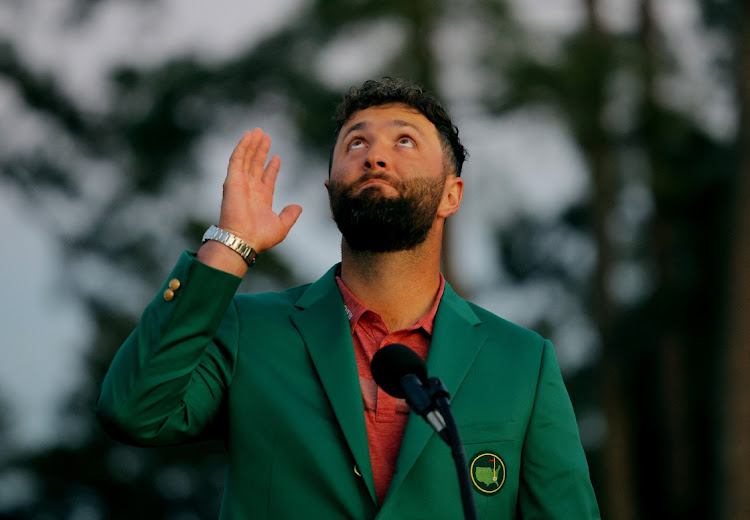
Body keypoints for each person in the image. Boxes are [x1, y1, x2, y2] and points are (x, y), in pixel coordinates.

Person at [96, 77, 600, 519]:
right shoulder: (251, 329)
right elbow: (134, 411)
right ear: (331, 186)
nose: (375, 155)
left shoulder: (522, 362)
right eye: (355, 144)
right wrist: (230, 245)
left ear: (452, 194)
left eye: (404, 140)